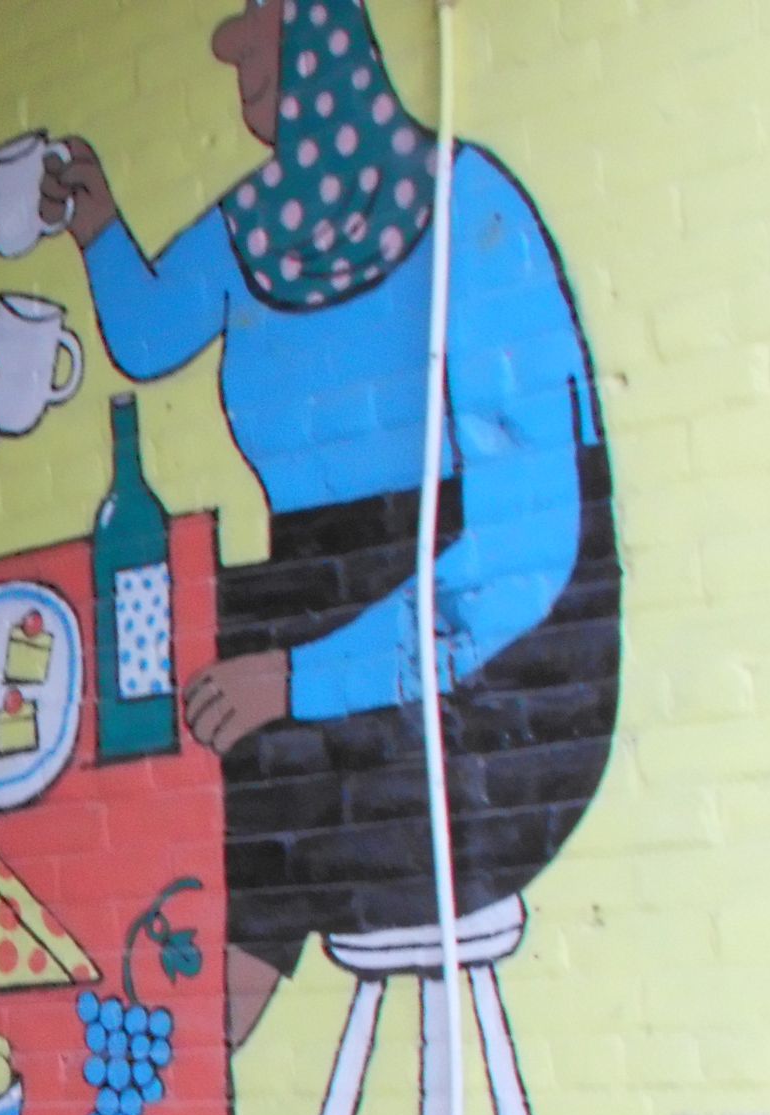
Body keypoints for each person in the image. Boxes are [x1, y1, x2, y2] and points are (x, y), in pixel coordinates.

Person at [43, 0, 619, 1050]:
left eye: (256, 25)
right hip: (324, 608)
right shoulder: (260, 222)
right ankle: (163, 1063)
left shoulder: (467, 208)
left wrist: (294, 680)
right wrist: (97, 224)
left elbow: (521, 559)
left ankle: (180, 1068)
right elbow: (150, 332)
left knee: (255, 756)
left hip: (503, 680)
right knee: (154, 670)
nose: (230, 51)